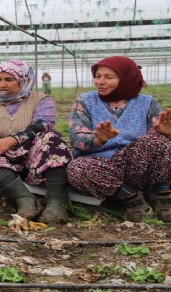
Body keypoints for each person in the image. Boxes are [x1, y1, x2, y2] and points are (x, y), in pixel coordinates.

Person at [0, 59, 72, 224]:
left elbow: (43, 124)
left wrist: (11, 140)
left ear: (23, 80)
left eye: (9, 79)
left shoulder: (42, 100)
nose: (2, 84)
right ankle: (24, 198)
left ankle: (57, 202)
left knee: (51, 138)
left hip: (30, 159)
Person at [67, 56, 171, 222]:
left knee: (158, 141)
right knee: (77, 168)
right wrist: (97, 140)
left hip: (137, 164)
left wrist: (167, 135)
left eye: (109, 77)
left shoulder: (146, 103)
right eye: (98, 76)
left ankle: (161, 196)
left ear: (126, 79)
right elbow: (75, 137)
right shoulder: (85, 101)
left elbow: (160, 148)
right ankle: (130, 198)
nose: (100, 82)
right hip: (102, 166)